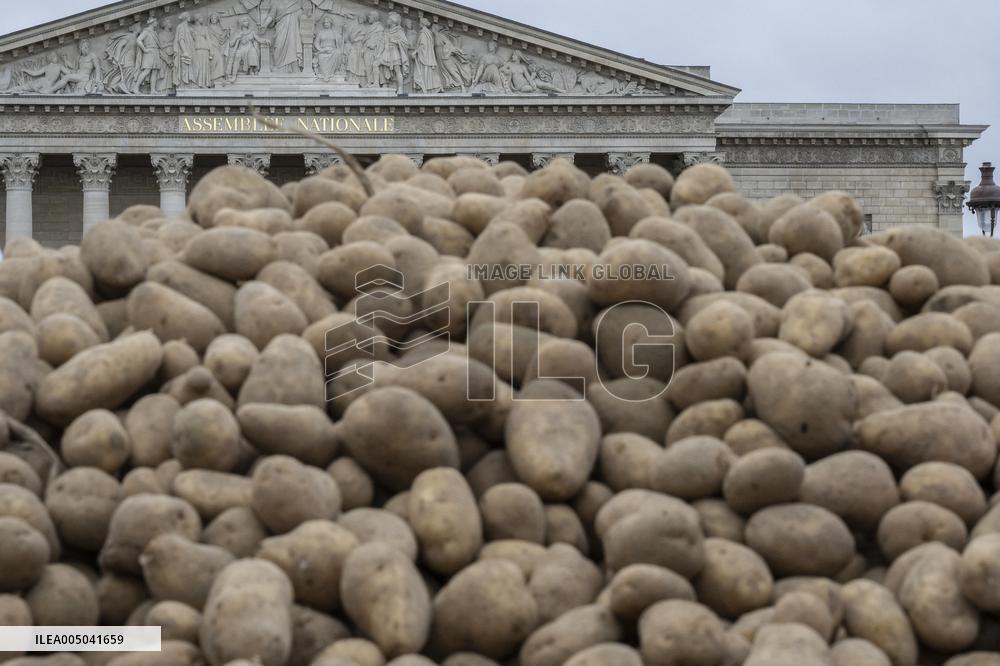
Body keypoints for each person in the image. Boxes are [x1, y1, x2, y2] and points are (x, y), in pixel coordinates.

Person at [265, 0, 305, 73]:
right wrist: (265, 25)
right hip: (280, 28)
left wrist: (307, 12)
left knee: (292, 46)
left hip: (293, 30)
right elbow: (271, 15)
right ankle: (278, 67)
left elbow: (302, 15)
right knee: (278, 46)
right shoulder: (276, 2)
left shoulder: (295, 3)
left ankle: (293, 68)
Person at [379, 12, 410, 93]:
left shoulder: (399, 31)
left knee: (397, 69)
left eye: (389, 19)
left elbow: (406, 43)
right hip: (386, 51)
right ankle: (385, 84)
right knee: (381, 66)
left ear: (393, 21)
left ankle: (400, 88)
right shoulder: (386, 31)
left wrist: (396, 41)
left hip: (394, 52)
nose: (387, 21)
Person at [104, 24, 140, 93]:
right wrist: (117, 57)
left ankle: (114, 85)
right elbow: (120, 45)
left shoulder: (136, 38)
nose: (140, 28)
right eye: (139, 26)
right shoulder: (129, 36)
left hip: (132, 59)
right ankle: (125, 87)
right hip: (127, 59)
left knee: (127, 73)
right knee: (129, 72)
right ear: (135, 28)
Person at [434, 26, 470, 91]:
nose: (432, 29)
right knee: (442, 71)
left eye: (434, 28)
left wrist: (445, 52)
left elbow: (448, 43)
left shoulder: (440, 36)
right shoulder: (433, 36)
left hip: (444, 56)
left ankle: (462, 86)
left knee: (452, 71)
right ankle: (444, 86)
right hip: (439, 57)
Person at [411, 16, 440, 93]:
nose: (419, 25)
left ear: (422, 24)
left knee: (424, 71)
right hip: (428, 57)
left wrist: (415, 52)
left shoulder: (423, 33)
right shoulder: (428, 33)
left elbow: (423, 46)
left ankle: (425, 88)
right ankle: (429, 88)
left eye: (420, 23)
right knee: (427, 72)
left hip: (424, 58)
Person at [134, 18, 162, 93]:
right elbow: (138, 40)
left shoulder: (154, 32)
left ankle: (152, 90)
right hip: (149, 52)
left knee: (155, 71)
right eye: (155, 21)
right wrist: (145, 50)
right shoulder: (146, 31)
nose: (157, 22)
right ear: (152, 22)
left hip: (155, 52)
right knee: (147, 71)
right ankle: (136, 88)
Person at [313, 15, 344, 80]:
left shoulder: (334, 33)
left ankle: (332, 73)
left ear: (331, 23)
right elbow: (316, 43)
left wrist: (344, 31)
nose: (326, 24)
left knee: (338, 52)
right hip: (323, 51)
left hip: (332, 51)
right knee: (321, 56)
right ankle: (324, 75)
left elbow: (340, 41)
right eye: (324, 23)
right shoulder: (321, 32)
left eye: (327, 22)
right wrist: (321, 49)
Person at [361, 11, 385, 88]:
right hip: (367, 49)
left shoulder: (379, 27)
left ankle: (376, 83)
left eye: (370, 16)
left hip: (374, 50)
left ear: (374, 17)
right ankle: (369, 81)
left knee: (373, 66)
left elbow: (381, 40)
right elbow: (365, 38)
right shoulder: (369, 27)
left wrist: (374, 45)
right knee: (367, 67)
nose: (368, 18)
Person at [173, 13, 195, 87]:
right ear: (185, 17)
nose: (190, 18)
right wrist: (185, 51)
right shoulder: (181, 26)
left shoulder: (187, 27)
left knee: (191, 65)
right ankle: (184, 84)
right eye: (188, 16)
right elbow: (180, 39)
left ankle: (190, 83)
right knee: (185, 66)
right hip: (185, 49)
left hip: (190, 48)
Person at [206, 14, 229, 84]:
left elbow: (221, 39)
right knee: (218, 59)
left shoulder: (219, 28)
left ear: (217, 19)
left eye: (215, 18)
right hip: (211, 46)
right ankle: (216, 77)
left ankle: (215, 77)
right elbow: (207, 38)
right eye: (212, 18)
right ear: (210, 19)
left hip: (218, 46)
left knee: (220, 59)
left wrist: (227, 33)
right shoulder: (208, 28)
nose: (213, 19)